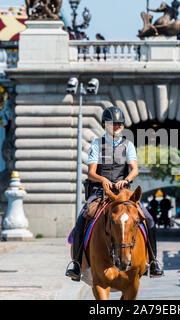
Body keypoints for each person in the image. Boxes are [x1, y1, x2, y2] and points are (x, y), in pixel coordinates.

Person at [65, 106, 164, 281]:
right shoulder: (97, 145)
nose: (116, 126)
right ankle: (77, 263)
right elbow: (91, 173)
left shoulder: (128, 145)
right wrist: (102, 180)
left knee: (148, 219)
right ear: (105, 125)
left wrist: (125, 180)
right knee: (82, 218)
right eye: (112, 123)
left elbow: (134, 169)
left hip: (123, 192)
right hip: (100, 192)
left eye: (119, 123)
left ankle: (154, 261)